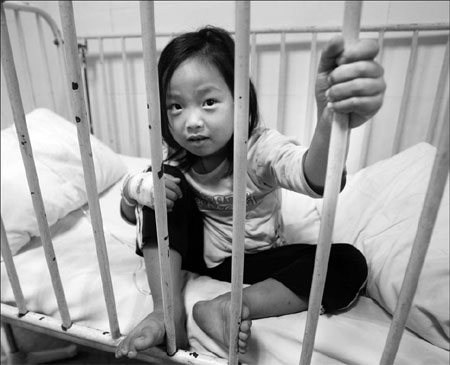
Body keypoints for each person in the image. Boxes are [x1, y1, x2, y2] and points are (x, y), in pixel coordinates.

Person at [115, 26, 386, 359]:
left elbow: (314, 177)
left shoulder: (259, 150)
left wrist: (330, 124)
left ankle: (228, 305)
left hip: (258, 259)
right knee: (157, 183)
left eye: (209, 101)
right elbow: (134, 216)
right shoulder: (176, 161)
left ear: (240, 100)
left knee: (347, 262)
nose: (192, 121)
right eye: (175, 107)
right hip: (199, 255)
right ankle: (165, 311)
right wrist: (133, 192)